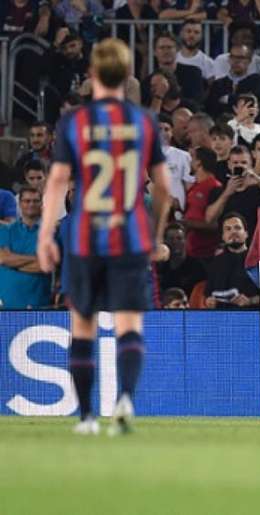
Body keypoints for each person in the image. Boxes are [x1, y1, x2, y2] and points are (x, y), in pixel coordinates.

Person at [36, 39, 172, 436]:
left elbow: (57, 182)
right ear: (127, 76)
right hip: (129, 237)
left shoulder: (74, 123)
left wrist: (47, 234)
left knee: (83, 326)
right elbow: (163, 187)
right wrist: (155, 231)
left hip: (82, 238)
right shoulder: (144, 121)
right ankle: (125, 398)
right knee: (129, 324)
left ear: (92, 75)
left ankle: (87, 418)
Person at [0, 186, 50, 309]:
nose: (31, 204)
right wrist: (35, 259)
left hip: (39, 304)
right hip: (8, 305)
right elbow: (2, 259)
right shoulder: (6, 230)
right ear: (20, 204)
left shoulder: (51, 233)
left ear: (42, 203)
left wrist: (12, 262)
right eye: (27, 201)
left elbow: (45, 265)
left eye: (35, 201)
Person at [204, 213, 260, 309]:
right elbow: (208, 294)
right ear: (223, 236)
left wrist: (250, 301)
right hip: (222, 318)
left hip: (251, 316)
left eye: (237, 228)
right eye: (228, 229)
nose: (233, 232)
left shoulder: (258, 260)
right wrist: (209, 301)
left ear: (246, 233)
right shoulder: (215, 263)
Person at [157, 223, 207, 297]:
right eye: (171, 239)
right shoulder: (159, 267)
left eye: (179, 238)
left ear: (185, 240)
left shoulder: (197, 267)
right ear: (165, 241)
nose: (175, 242)